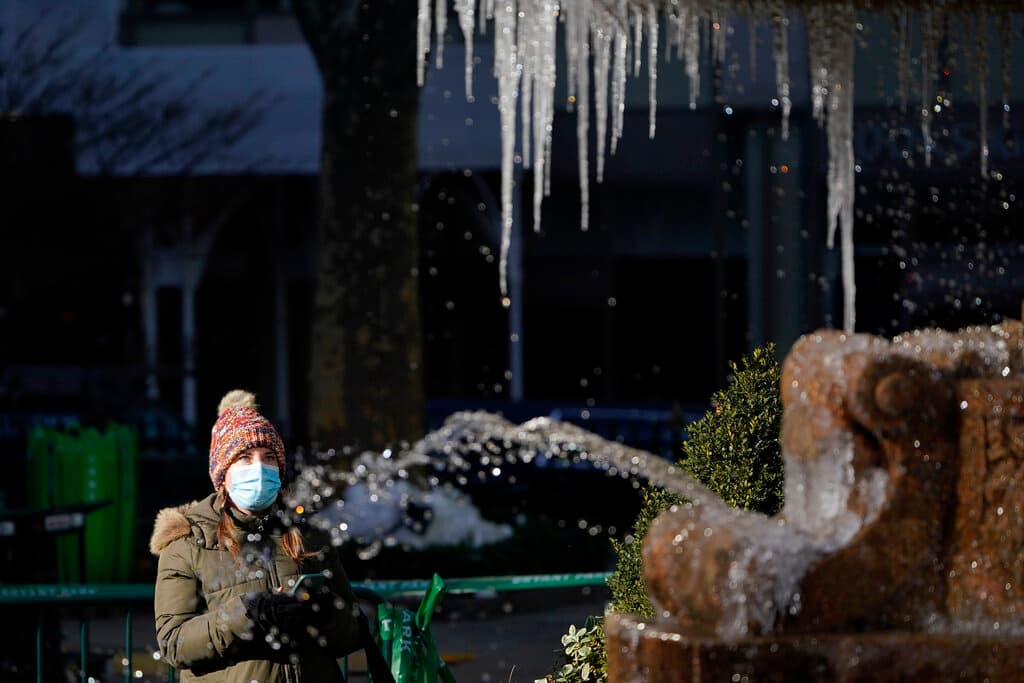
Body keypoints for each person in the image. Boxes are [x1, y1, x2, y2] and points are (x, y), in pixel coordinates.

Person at [150, 389, 364, 682]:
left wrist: (324, 612)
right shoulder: (188, 541)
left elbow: (353, 633)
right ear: (223, 474)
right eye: (245, 458)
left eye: (268, 457)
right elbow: (175, 645)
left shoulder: (306, 531)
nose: (259, 468)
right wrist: (245, 614)